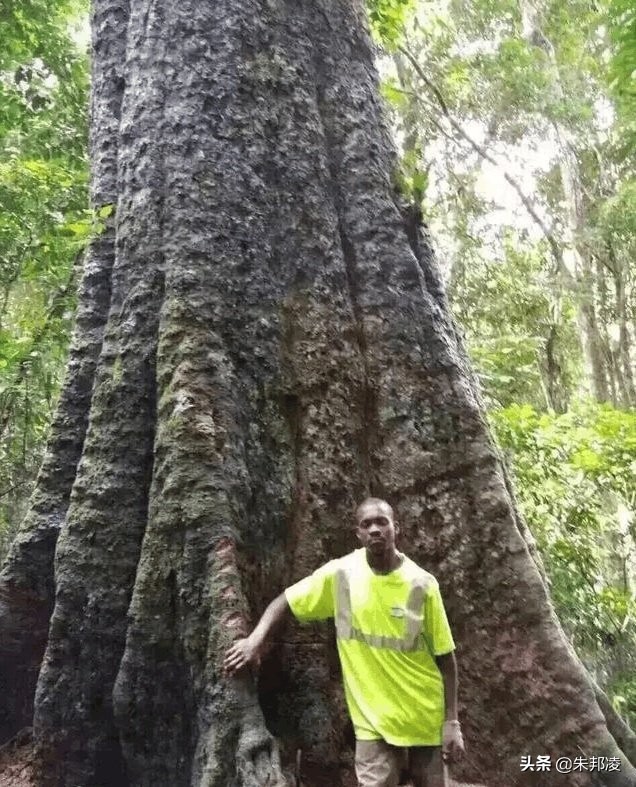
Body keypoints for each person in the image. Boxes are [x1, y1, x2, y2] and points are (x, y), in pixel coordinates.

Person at [223, 497, 464, 787]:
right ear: (358, 533)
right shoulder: (342, 575)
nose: (375, 529)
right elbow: (285, 600)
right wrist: (254, 641)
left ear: (396, 528)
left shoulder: (422, 584)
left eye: (382, 522)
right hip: (373, 724)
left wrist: (451, 723)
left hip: (424, 719)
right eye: (367, 524)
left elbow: (446, 659)